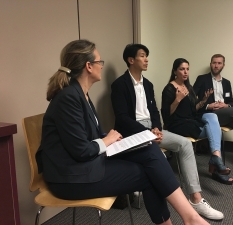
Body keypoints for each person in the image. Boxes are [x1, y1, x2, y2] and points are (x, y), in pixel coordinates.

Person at [35, 39, 210, 225]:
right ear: (88, 66)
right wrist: (108, 139)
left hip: (85, 164)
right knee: (149, 174)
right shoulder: (68, 98)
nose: (101, 66)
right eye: (99, 62)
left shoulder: (81, 93)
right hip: (69, 178)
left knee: (149, 149)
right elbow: (81, 150)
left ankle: (190, 217)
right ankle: (190, 218)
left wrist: (111, 139)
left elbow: (87, 137)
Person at [111, 44, 224, 221]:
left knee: (185, 144)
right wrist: (147, 132)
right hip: (133, 132)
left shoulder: (148, 84)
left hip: (153, 130)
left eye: (147, 56)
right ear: (130, 60)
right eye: (142, 56)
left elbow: (155, 111)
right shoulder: (119, 85)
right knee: (158, 158)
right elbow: (122, 118)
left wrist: (156, 128)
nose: (146, 59)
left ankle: (196, 199)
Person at [161, 58, 233, 185]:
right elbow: (166, 116)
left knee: (212, 117)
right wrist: (177, 99)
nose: (185, 72)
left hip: (191, 120)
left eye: (187, 69)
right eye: (182, 69)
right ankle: (216, 163)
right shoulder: (169, 88)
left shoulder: (188, 87)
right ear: (174, 71)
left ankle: (216, 158)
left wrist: (204, 100)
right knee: (216, 132)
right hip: (177, 124)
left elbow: (194, 109)